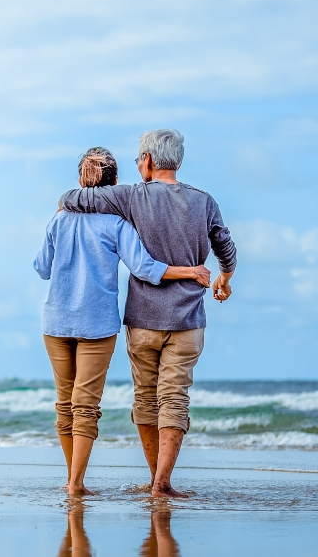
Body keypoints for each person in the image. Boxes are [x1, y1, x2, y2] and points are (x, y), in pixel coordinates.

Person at [59, 129, 237, 498]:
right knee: (175, 398)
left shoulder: (131, 197)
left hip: (142, 319)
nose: (140, 163)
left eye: (140, 158)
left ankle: (155, 476)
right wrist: (225, 278)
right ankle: (162, 484)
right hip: (188, 320)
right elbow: (226, 246)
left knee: (146, 399)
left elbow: (72, 198)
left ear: (148, 161)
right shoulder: (204, 201)